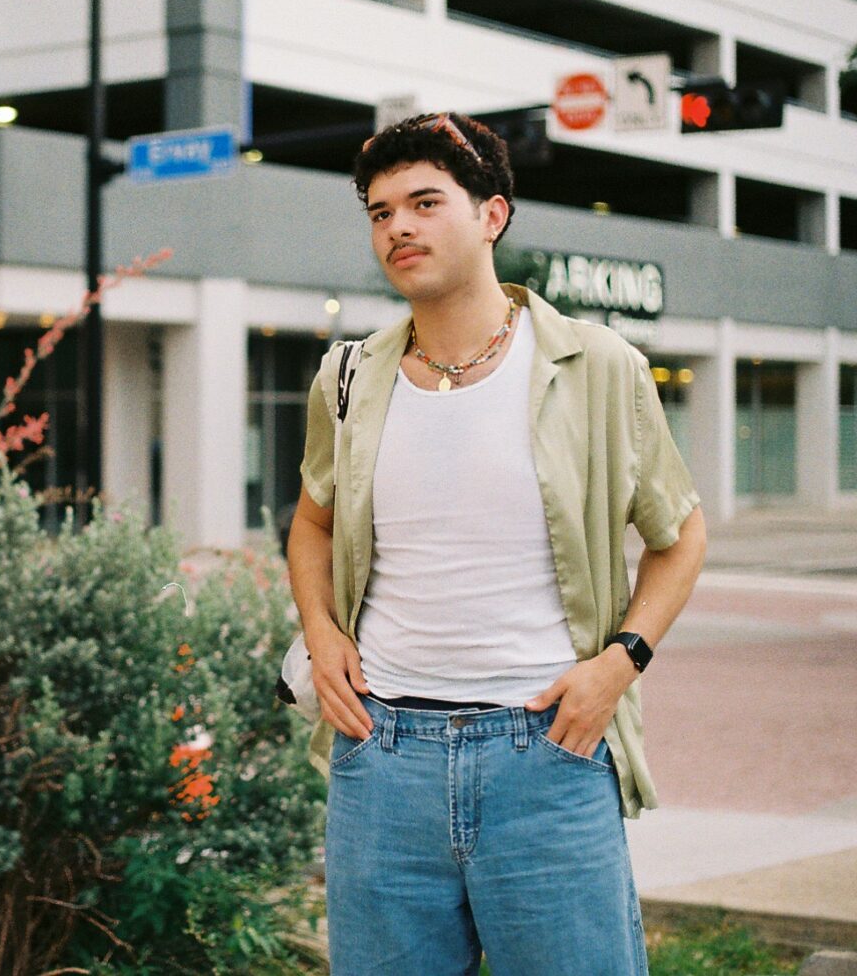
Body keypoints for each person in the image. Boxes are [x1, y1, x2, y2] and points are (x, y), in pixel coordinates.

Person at [288, 112, 707, 976]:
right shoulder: (348, 376)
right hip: (381, 757)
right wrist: (321, 636)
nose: (397, 227)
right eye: (379, 212)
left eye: (424, 203)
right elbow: (312, 523)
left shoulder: (598, 366)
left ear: (491, 215)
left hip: (547, 752)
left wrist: (620, 662)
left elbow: (679, 531)